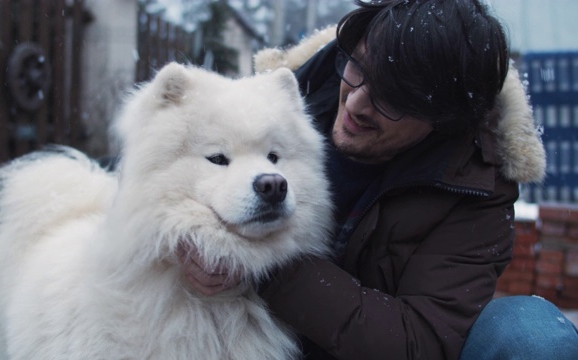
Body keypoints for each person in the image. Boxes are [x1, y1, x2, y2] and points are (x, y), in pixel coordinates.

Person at [179, 0, 578, 359]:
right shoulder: (285, 102)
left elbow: (419, 343)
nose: (355, 103)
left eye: (392, 99)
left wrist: (264, 265)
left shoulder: (476, 189)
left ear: (444, 119)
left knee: (532, 333)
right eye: (358, 67)